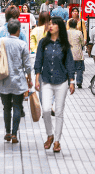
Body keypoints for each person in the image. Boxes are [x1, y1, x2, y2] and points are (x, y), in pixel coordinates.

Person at [33, 16, 76, 153]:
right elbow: (38, 60)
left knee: (59, 112)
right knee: (45, 109)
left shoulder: (64, 44)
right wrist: (36, 78)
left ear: (60, 27)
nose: (50, 26)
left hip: (61, 81)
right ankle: (50, 134)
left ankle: (57, 141)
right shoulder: (43, 43)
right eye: (49, 24)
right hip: (46, 80)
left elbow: (69, 63)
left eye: (54, 24)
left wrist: (72, 81)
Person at [0, 19, 32, 144]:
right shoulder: (22, 44)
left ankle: (7, 132)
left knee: (6, 107)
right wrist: (29, 78)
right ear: (18, 31)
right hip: (18, 80)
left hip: (4, 80)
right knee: (17, 106)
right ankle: (15, 134)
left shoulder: (0, 41)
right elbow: (27, 65)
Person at [66, 18, 85, 87]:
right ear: (76, 25)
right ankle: (79, 82)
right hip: (78, 53)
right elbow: (83, 43)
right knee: (79, 69)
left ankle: (69, 82)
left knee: (69, 68)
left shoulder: (66, 32)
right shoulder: (79, 32)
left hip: (68, 53)